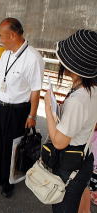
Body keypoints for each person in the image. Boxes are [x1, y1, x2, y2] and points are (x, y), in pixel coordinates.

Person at [0, 18, 44, 199]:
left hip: (18, 110)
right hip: (0, 107)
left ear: (12, 35)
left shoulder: (33, 58)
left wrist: (32, 115)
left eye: (2, 36)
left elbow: (35, 90)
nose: (0, 39)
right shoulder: (6, 54)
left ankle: (8, 183)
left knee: (12, 147)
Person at [44, 29, 97, 213]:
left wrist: (49, 111)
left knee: (63, 207)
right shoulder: (92, 90)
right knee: (78, 204)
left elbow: (59, 142)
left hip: (70, 163)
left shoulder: (79, 99)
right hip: (84, 157)